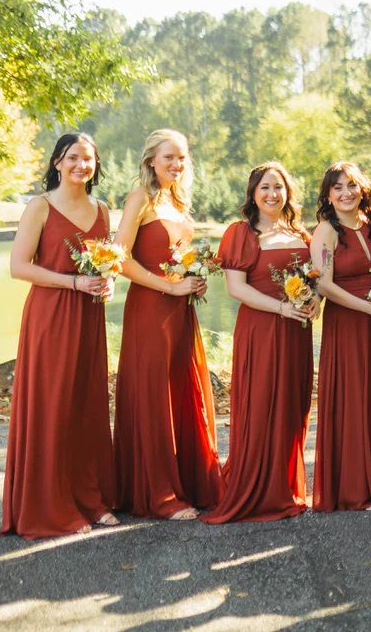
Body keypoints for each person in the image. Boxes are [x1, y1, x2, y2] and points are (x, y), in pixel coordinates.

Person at [1, 133, 119, 538]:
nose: (81, 165)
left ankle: (91, 498)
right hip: (50, 317)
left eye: (88, 159)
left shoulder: (102, 210)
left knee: (85, 405)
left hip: (89, 318)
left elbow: (108, 266)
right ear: (57, 162)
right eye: (73, 158)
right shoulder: (40, 206)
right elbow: (19, 266)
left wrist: (108, 284)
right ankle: (50, 505)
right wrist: (72, 285)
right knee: (52, 406)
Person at [113, 129, 222, 521]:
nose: (176, 164)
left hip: (180, 310)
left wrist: (194, 277)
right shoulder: (139, 199)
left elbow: (175, 255)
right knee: (153, 395)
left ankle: (191, 482)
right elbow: (119, 259)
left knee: (181, 391)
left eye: (182, 158)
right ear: (150, 161)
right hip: (150, 309)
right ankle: (158, 494)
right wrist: (169, 287)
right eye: (168, 157)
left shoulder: (177, 201)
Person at [201, 162, 316, 524]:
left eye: (278, 187)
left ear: (288, 192)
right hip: (262, 329)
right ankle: (258, 488)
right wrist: (283, 308)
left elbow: (315, 279)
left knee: (292, 403)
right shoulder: (240, 233)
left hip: (297, 329)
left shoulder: (302, 233)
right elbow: (236, 288)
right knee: (263, 401)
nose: (272, 194)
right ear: (253, 193)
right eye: (265, 188)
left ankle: (285, 486)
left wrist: (314, 301)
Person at [310, 162, 371, 511]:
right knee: (354, 398)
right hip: (348, 322)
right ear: (328, 195)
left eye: (351, 186)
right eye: (338, 188)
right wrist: (367, 308)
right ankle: (355, 488)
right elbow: (324, 284)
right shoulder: (326, 231)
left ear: (363, 189)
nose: (346, 193)